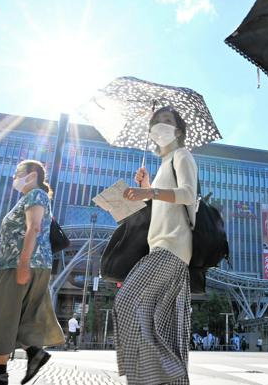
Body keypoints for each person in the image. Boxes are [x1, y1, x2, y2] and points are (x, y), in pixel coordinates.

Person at [115, 106, 198, 385]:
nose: (159, 126)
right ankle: (170, 380)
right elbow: (163, 207)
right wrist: (147, 187)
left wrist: (149, 190)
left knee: (127, 301)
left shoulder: (182, 155)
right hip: (160, 247)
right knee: (160, 322)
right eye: (155, 122)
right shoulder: (164, 165)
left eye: (166, 121)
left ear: (178, 130)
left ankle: (147, 378)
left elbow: (188, 195)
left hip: (173, 247)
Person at [0, 160, 64, 385]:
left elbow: (34, 228)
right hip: (21, 264)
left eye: (17, 174)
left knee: (2, 316)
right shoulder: (32, 197)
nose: (14, 178)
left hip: (18, 265)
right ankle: (33, 353)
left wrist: (23, 263)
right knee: (18, 318)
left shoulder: (35, 196)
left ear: (31, 175)